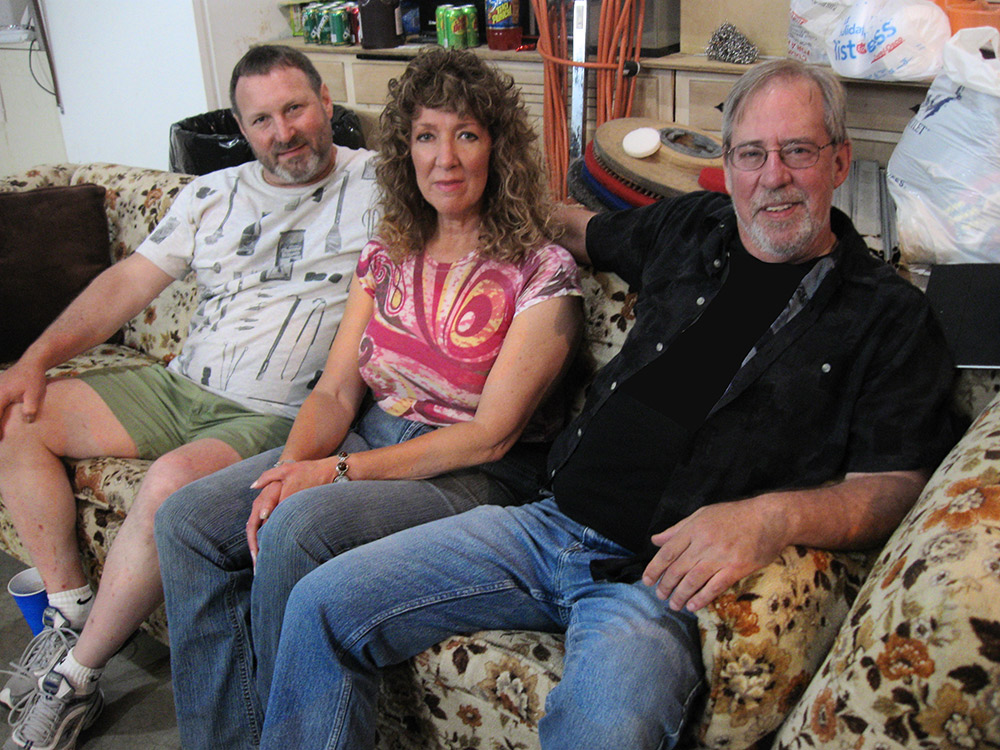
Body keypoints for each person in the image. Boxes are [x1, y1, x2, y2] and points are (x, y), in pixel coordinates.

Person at [254, 58, 962, 750]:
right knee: (321, 604)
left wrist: (772, 517)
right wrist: (473, 202)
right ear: (727, 166)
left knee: (605, 729)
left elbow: (895, 484)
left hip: (653, 581)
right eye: (752, 154)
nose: (772, 176)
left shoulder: (888, 315)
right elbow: (572, 226)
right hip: (545, 523)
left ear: (839, 161)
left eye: (797, 151)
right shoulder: (694, 228)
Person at [154, 46, 582, 750]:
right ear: (405, 151)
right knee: (187, 520)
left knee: (298, 528)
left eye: (467, 134)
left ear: (498, 147)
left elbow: (493, 435)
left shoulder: (542, 270)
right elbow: (335, 389)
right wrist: (286, 470)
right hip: (372, 434)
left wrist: (332, 475)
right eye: (426, 136)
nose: (445, 158)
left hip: (470, 473)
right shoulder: (388, 251)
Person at [0, 44, 381, 750]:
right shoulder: (212, 194)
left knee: (171, 484)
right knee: (20, 417)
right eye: (262, 120)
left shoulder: (382, 184)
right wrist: (35, 361)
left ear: (327, 103)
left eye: (295, 109)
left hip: (274, 412)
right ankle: (69, 610)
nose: (284, 132)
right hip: (179, 385)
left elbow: (492, 195)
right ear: (242, 127)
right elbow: (125, 286)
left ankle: (76, 679)